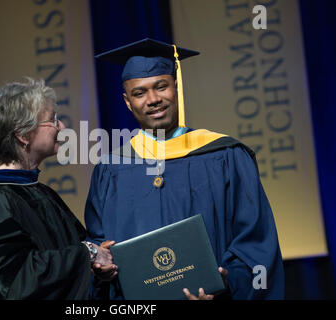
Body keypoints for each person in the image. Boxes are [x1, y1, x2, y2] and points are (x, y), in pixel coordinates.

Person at [85, 38, 284, 300]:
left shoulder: (225, 155)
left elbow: (256, 239)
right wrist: (101, 266)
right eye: (140, 92)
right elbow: (99, 243)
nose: (153, 99)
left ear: (176, 87)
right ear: (127, 101)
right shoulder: (111, 169)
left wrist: (227, 281)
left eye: (161, 87)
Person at [0, 78, 116, 300]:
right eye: (52, 120)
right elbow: (19, 280)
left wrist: (97, 267)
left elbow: (79, 255)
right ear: (23, 135)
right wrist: (89, 253)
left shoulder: (41, 192)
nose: (62, 127)